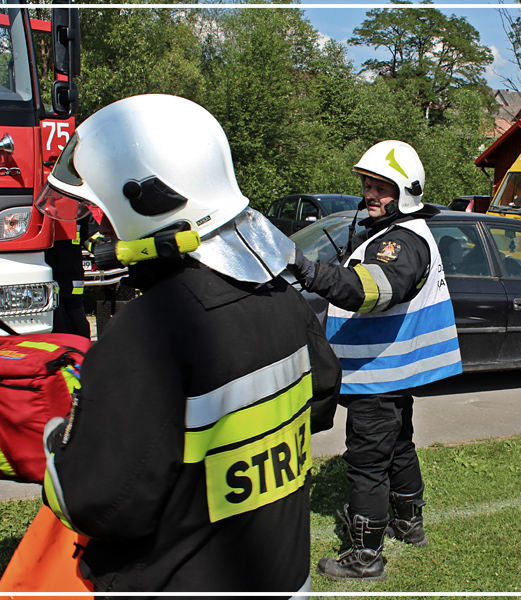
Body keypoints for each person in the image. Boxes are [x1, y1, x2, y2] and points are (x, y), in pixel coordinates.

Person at [35, 94, 341, 594]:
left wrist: (55, 441)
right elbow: (323, 401)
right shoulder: (283, 299)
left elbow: (97, 504)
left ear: (147, 201)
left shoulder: (145, 336)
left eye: (102, 212)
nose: (101, 230)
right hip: (286, 580)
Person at [287, 140, 462, 582]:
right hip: (392, 371)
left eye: (381, 187)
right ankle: (409, 523)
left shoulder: (402, 241)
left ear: (405, 190)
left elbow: (370, 290)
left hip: (379, 375)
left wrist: (307, 269)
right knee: (399, 445)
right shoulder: (395, 232)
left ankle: (365, 556)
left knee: (366, 461)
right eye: (367, 184)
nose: (370, 193)